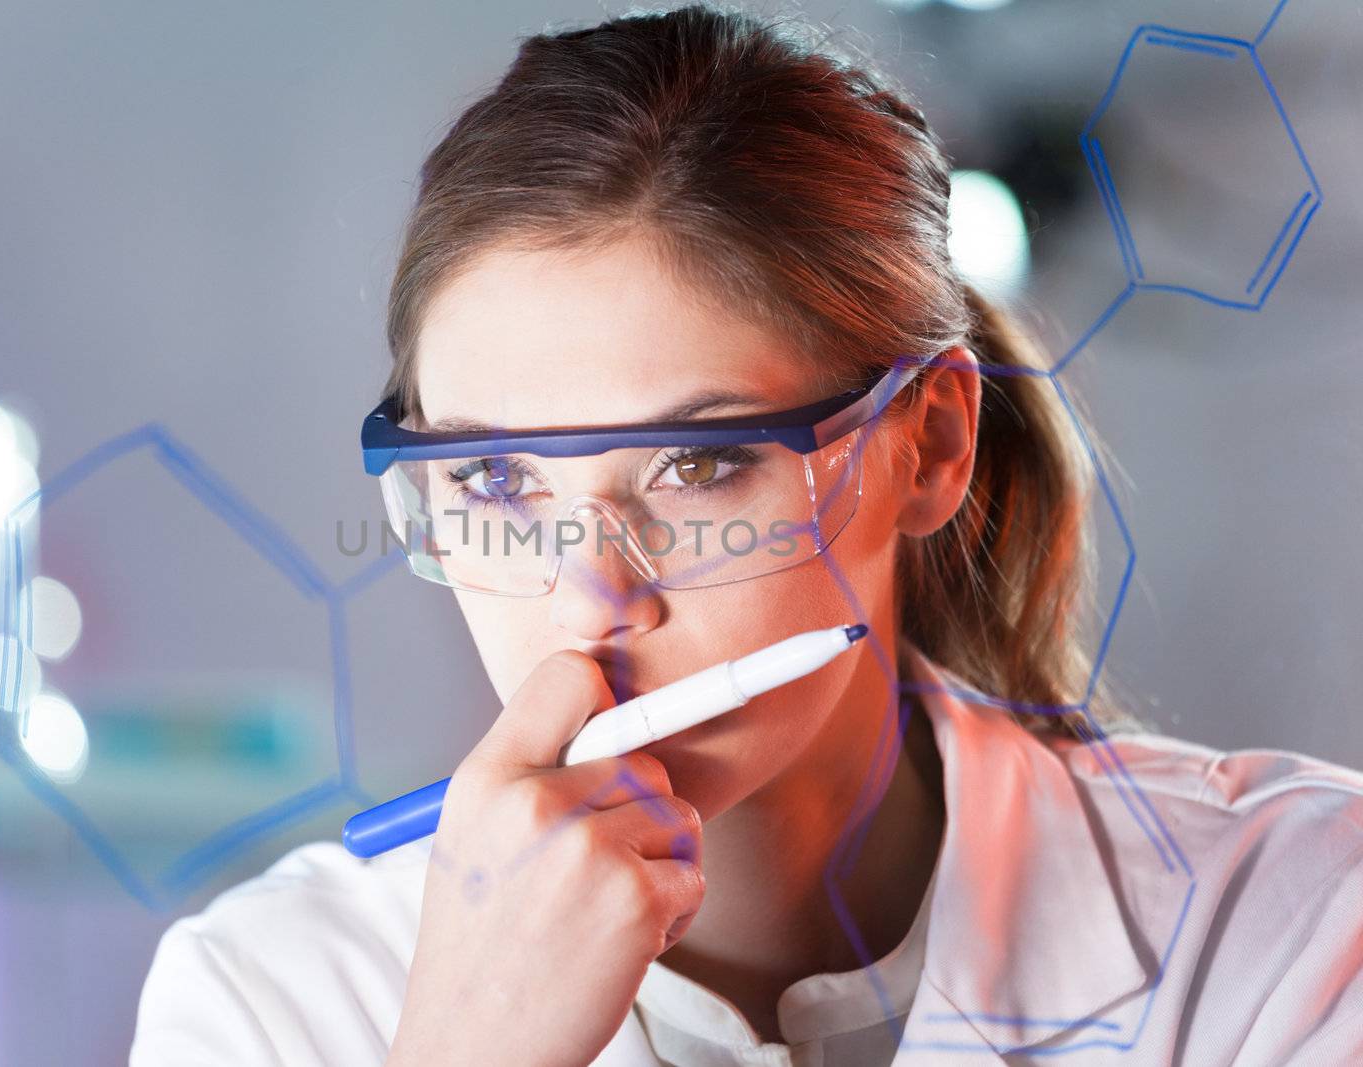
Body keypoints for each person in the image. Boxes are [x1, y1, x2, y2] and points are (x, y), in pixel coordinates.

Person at [129, 5, 1363, 1064]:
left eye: (700, 464)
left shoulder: (1292, 920)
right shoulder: (271, 997)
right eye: (497, 480)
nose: (589, 598)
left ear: (928, 443)